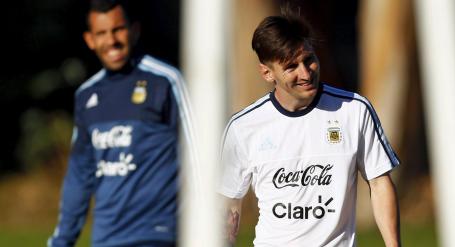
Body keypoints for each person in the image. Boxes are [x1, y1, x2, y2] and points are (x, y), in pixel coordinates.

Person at [219, 11, 401, 247]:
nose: (305, 73)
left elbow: (379, 183)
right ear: (266, 72)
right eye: (291, 66)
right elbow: (228, 202)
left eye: (309, 59)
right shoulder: (243, 127)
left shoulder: (354, 110)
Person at [48, 0, 193, 246]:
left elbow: (198, 156)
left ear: (134, 30)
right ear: (89, 40)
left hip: (158, 236)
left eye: (118, 29)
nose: (111, 40)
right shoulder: (86, 95)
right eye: (101, 33)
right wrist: (62, 239)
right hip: (106, 239)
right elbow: (79, 177)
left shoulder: (166, 81)